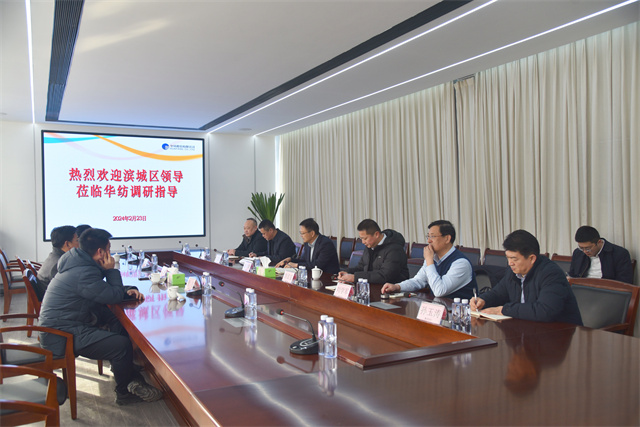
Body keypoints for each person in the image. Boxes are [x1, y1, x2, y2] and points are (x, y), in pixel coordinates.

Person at [38, 228, 163, 405]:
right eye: (109, 249)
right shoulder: (83, 272)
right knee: (121, 345)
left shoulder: (78, 263)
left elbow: (99, 289)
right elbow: (112, 296)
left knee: (114, 318)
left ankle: (127, 373)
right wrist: (111, 271)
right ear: (100, 252)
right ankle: (124, 393)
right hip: (60, 335)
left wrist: (126, 290)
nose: (110, 254)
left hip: (65, 325)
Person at [470, 230, 582, 325]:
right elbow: (498, 293)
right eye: (508, 258)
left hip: (560, 334)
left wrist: (504, 310)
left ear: (532, 258)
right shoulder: (513, 271)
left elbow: (544, 311)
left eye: (514, 259)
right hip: (528, 330)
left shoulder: (551, 274)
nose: (510, 263)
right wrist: (483, 300)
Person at [381, 220, 477, 299]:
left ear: (447, 239)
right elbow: (418, 281)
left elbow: (439, 291)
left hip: (460, 312)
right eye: (428, 236)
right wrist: (397, 287)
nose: (428, 241)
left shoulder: (461, 263)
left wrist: (429, 261)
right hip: (438, 309)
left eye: (432, 236)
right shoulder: (433, 257)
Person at [338, 219, 409, 285]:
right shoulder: (370, 246)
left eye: (365, 238)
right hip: (372, 286)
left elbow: (385, 275)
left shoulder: (394, 249)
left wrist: (355, 277)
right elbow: (361, 267)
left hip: (393, 289)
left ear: (376, 234)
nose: (363, 242)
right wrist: (347, 272)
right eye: (361, 239)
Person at [568, 225, 633, 284]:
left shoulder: (619, 254)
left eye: (588, 248)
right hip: (582, 288)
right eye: (581, 248)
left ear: (599, 242)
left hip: (606, 290)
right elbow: (572, 275)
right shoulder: (578, 253)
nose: (585, 251)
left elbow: (624, 282)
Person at [275, 218, 340, 275]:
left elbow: (318, 265)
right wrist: (290, 259)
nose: (301, 236)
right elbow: (304, 261)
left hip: (328, 277)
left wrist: (296, 265)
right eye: (300, 233)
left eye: (303, 233)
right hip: (313, 275)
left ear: (312, 233)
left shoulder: (326, 244)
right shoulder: (307, 243)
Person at [36, 225, 79, 300]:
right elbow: (69, 289)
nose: (79, 244)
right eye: (77, 240)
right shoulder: (59, 264)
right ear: (67, 244)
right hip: (57, 302)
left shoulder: (54, 256)